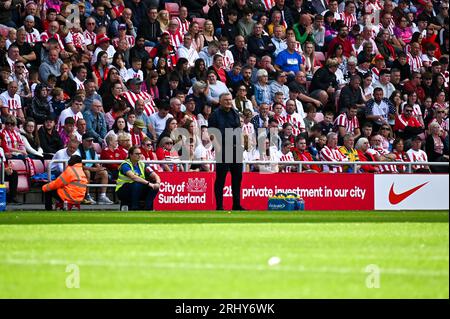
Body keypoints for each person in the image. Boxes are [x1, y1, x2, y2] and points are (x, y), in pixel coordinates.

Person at [208, 92, 245, 211]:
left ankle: (236, 205)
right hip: (222, 148)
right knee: (221, 178)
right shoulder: (215, 115)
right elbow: (212, 133)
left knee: (237, 177)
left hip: (235, 149)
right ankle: (219, 206)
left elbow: (238, 129)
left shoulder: (235, 113)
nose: (229, 102)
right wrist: (218, 148)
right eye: (226, 100)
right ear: (220, 101)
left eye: (230, 100)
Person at [115, 145, 161, 211]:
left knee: (154, 187)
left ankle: (147, 208)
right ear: (130, 155)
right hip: (123, 191)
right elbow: (133, 177)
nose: (139, 155)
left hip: (136, 189)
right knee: (137, 184)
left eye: (140, 154)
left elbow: (156, 176)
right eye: (137, 154)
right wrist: (148, 183)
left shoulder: (142, 164)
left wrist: (157, 183)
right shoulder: (125, 164)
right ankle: (135, 207)